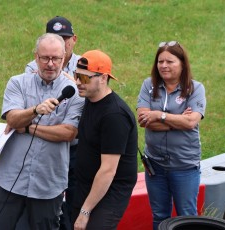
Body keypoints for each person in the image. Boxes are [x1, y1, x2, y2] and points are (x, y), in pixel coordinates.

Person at [0, 33, 84, 230]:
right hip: (10, 180)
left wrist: (28, 127)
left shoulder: (74, 93)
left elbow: (68, 133)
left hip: (48, 183)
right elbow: (12, 118)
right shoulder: (17, 83)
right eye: (45, 58)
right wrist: (35, 110)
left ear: (64, 58)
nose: (51, 64)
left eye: (56, 59)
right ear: (36, 57)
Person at [136, 41, 206, 230]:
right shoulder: (148, 85)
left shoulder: (195, 88)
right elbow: (143, 121)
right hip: (155, 165)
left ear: (182, 64)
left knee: (187, 216)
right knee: (159, 216)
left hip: (184, 165)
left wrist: (160, 115)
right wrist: (178, 122)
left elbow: (191, 122)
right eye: (160, 62)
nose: (164, 66)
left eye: (170, 61)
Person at [71, 50, 138, 230]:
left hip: (110, 190)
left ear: (103, 78)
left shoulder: (114, 116)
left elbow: (108, 170)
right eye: (76, 75)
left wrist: (85, 212)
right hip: (86, 184)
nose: (77, 82)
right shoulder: (91, 99)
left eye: (84, 78)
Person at [25, 16, 80, 230]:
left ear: (74, 39)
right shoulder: (32, 66)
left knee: (74, 199)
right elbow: (32, 98)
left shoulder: (85, 63)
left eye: (66, 38)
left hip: (76, 146)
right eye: (57, 37)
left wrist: (70, 82)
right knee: (45, 201)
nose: (62, 42)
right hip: (46, 143)